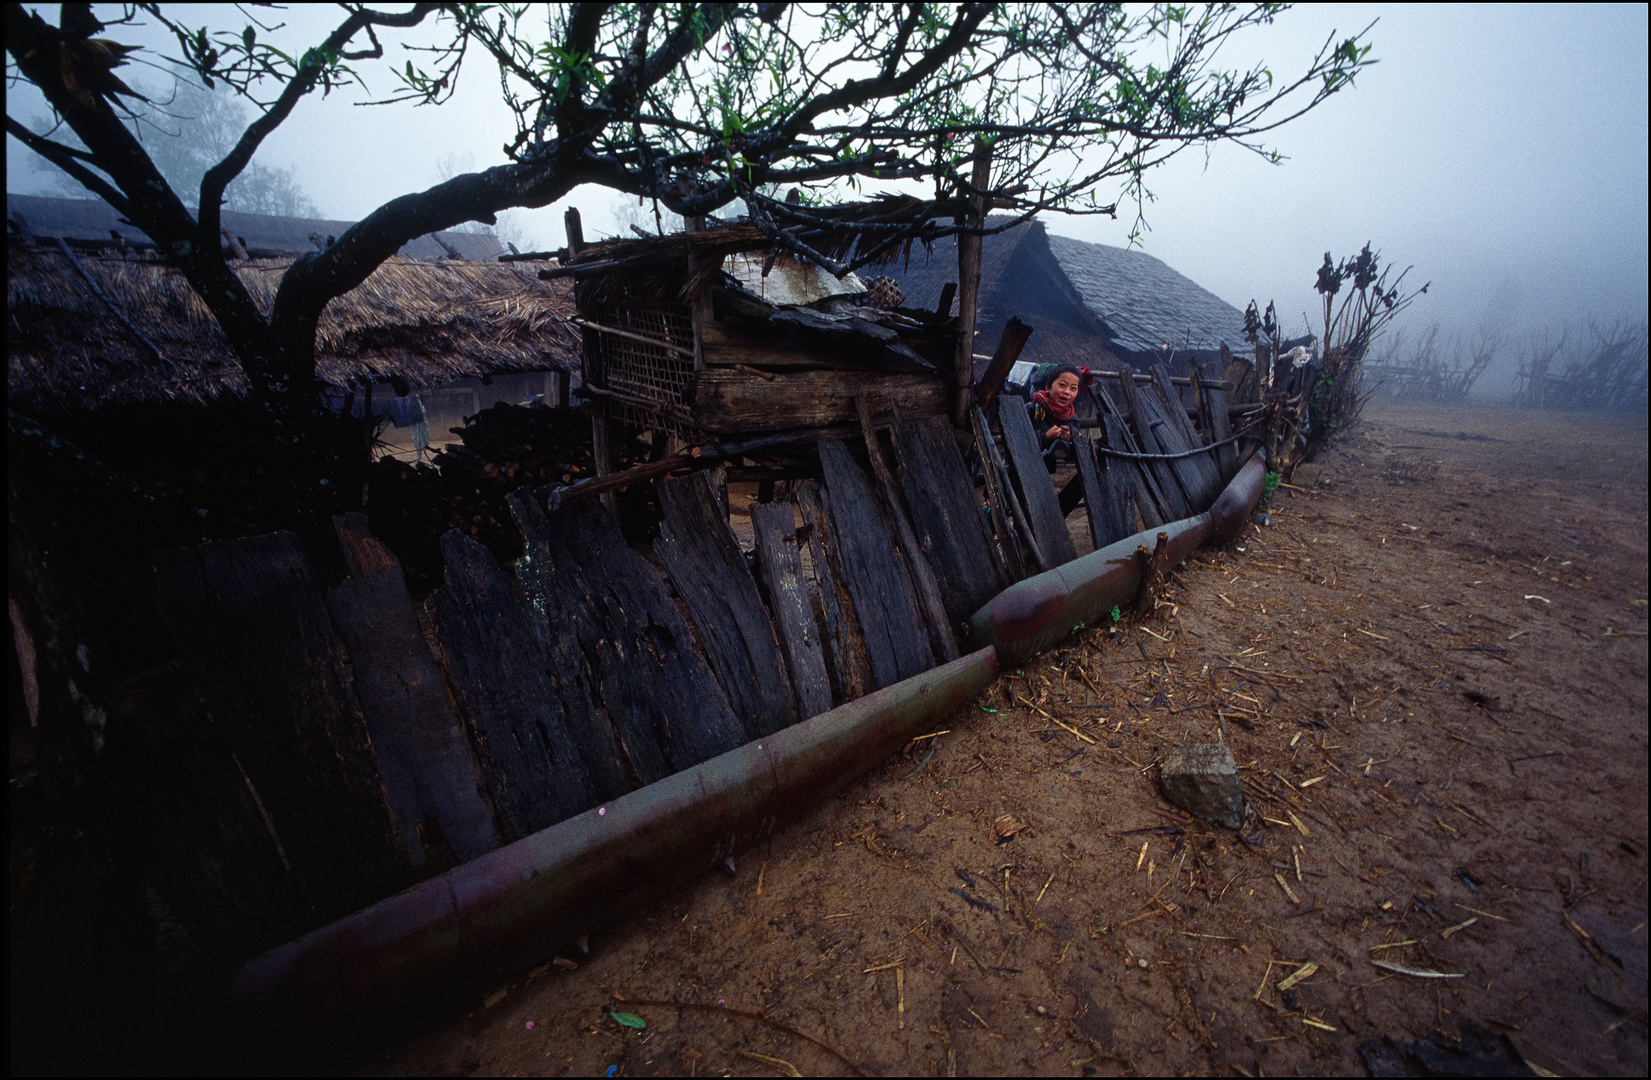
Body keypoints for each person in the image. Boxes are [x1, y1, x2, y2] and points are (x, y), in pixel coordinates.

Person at [1027, 364, 1084, 456]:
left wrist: (1070, 438)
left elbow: (1080, 452)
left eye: (1073, 388)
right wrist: (1045, 436)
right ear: (1048, 387)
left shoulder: (1072, 419)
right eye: (1062, 385)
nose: (1067, 392)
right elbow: (1017, 440)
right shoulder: (1031, 409)